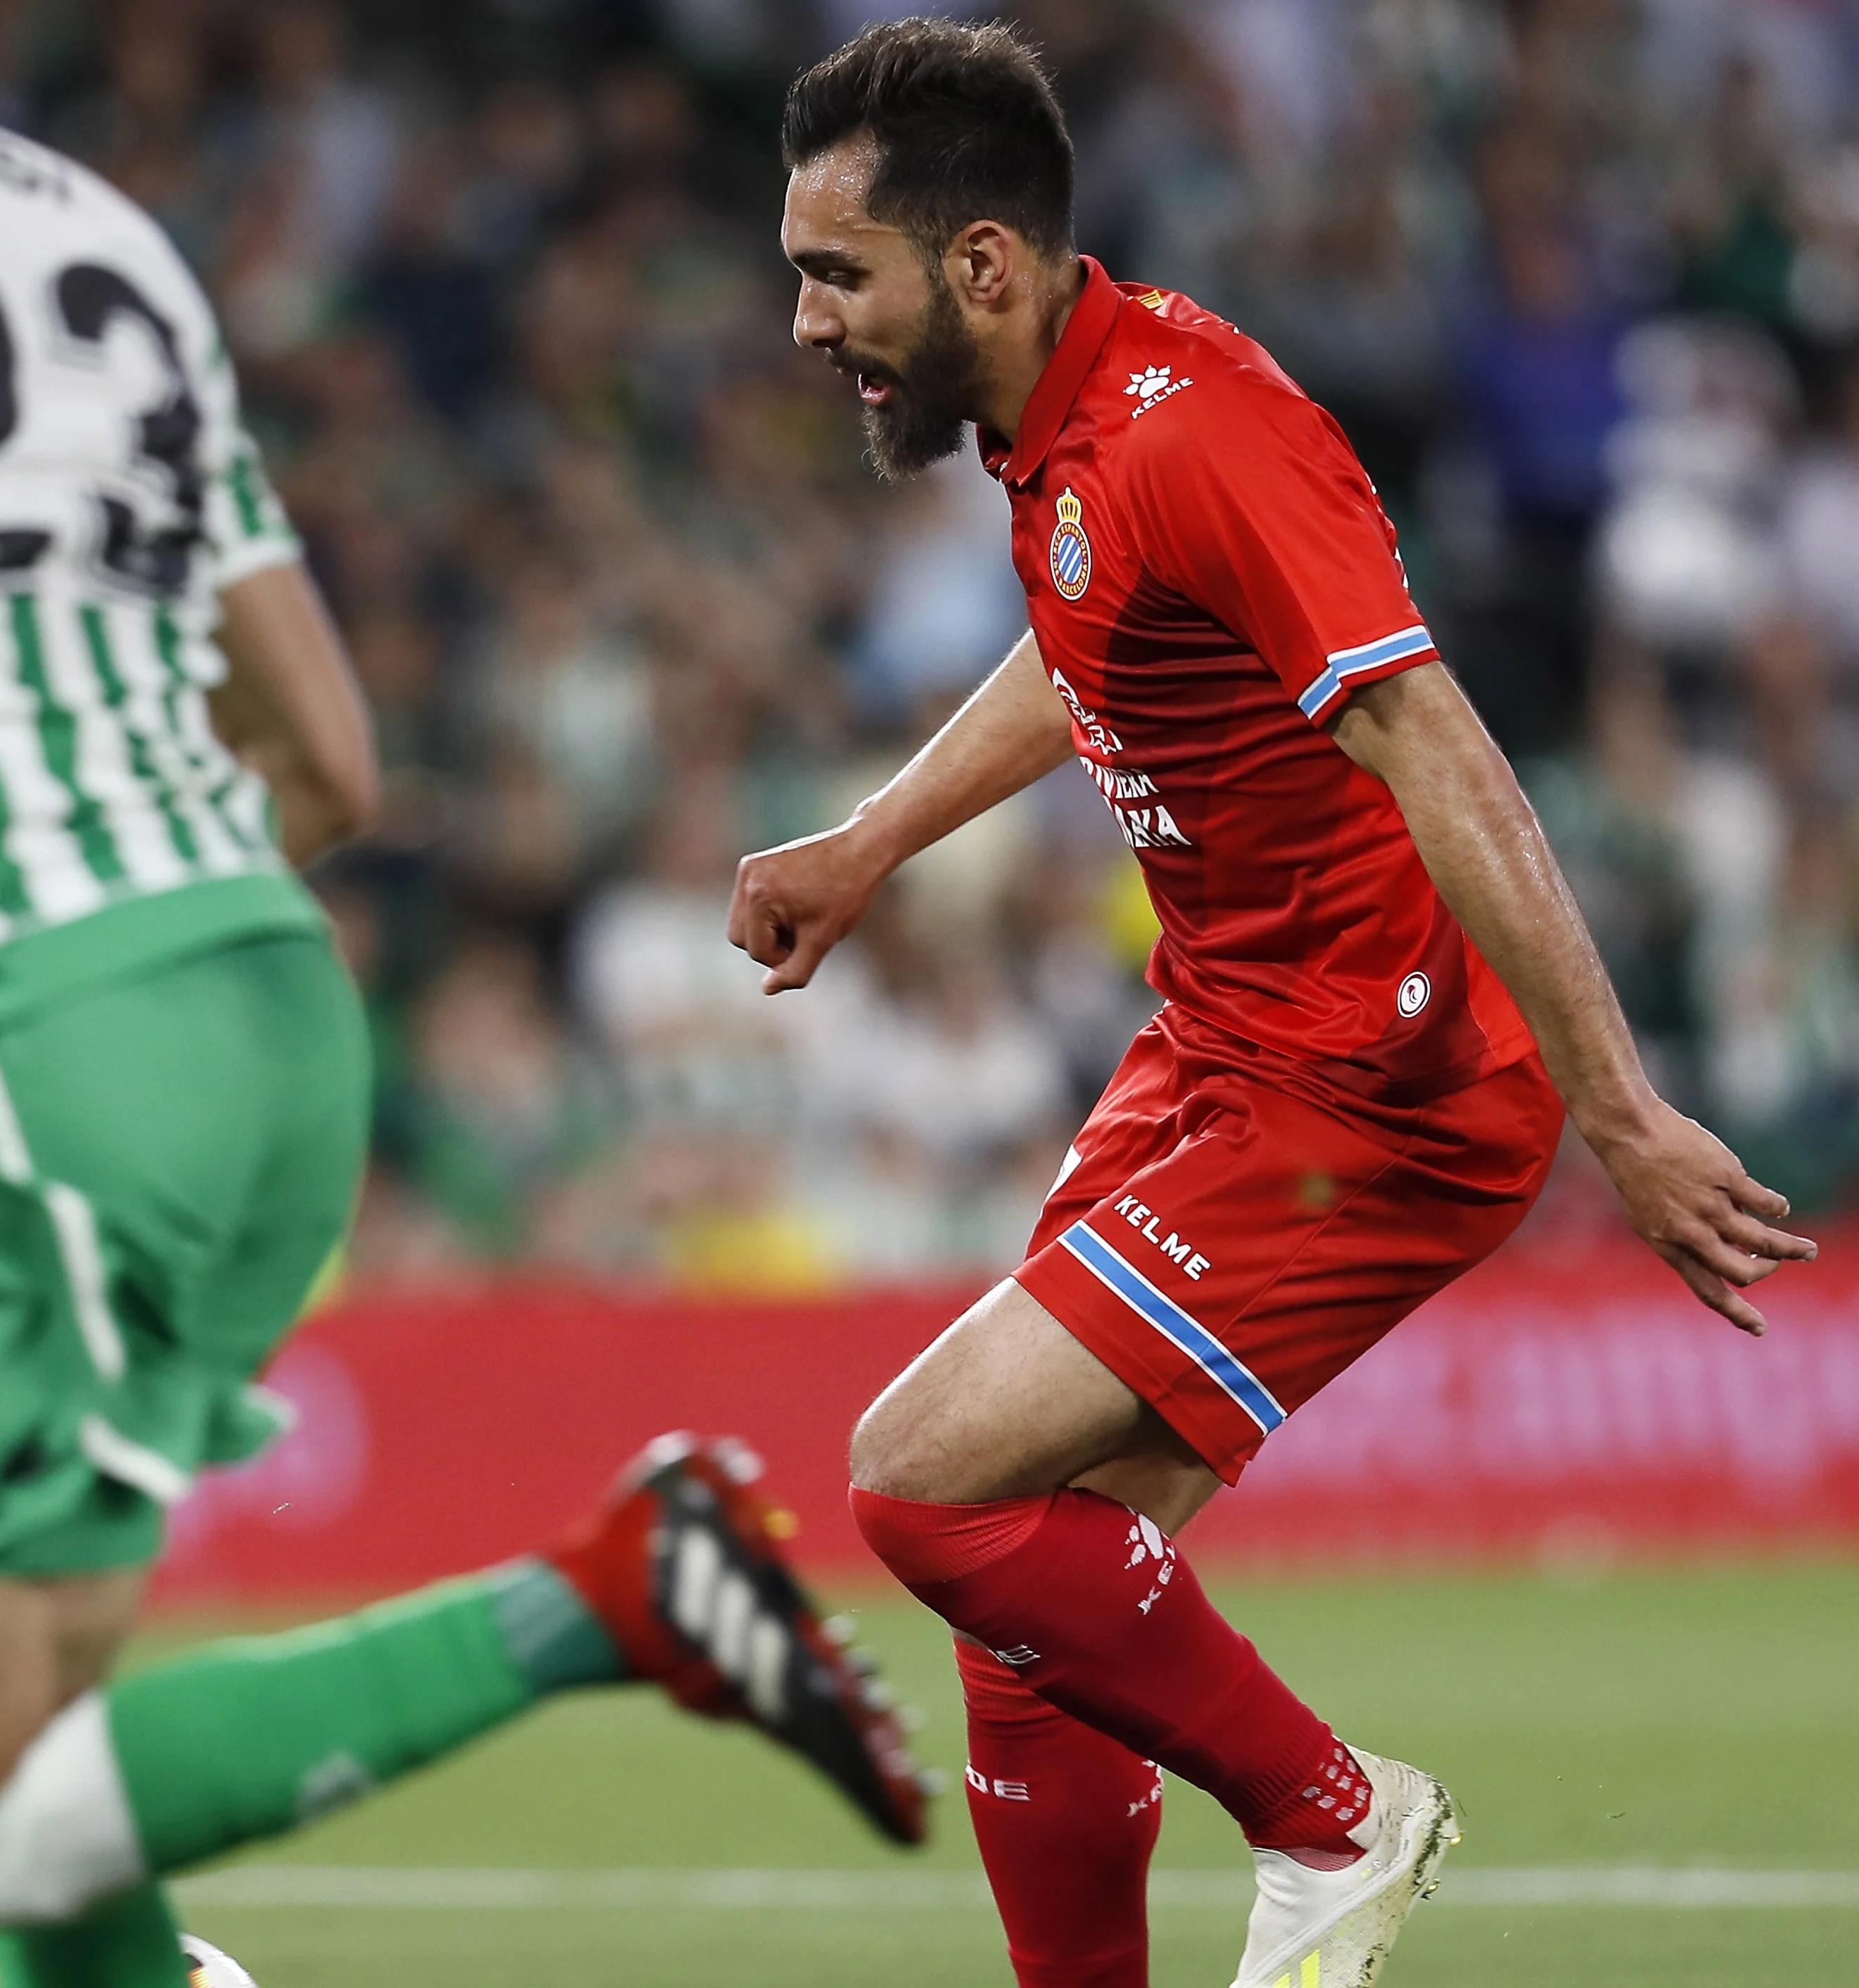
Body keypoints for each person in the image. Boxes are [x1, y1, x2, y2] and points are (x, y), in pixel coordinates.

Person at [0, 4, 932, 1984]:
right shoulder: (105, 235)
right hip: (262, 1002)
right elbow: (329, 757)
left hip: (56, 1051)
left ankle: (608, 1592)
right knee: (50, 1794)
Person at [742, 22, 1818, 1988]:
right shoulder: (1068, 432)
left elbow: (1438, 743)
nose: (807, 320)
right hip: (1230, 1041)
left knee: (920, 1476)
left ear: (981, 261)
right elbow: (1090, 640)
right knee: (1047, 1591)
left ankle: (1335, 1812)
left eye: (837, 272)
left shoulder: (1193, 425)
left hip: (1371, 1088)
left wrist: (1624, 1110)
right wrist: (872, 839)